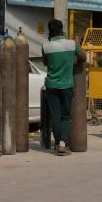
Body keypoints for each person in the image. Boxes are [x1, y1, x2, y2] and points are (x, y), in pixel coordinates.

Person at [42, 18, 86, 156]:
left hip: (51, 85)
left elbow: (45, 62)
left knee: (55, 116)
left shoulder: (46, 46)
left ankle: (56, 144)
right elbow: (83, 57)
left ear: (50, 31)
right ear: (62, 29)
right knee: (65, 116)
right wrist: (77, 44)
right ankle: (62, 145)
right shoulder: (72, 44)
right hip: (66, 85)